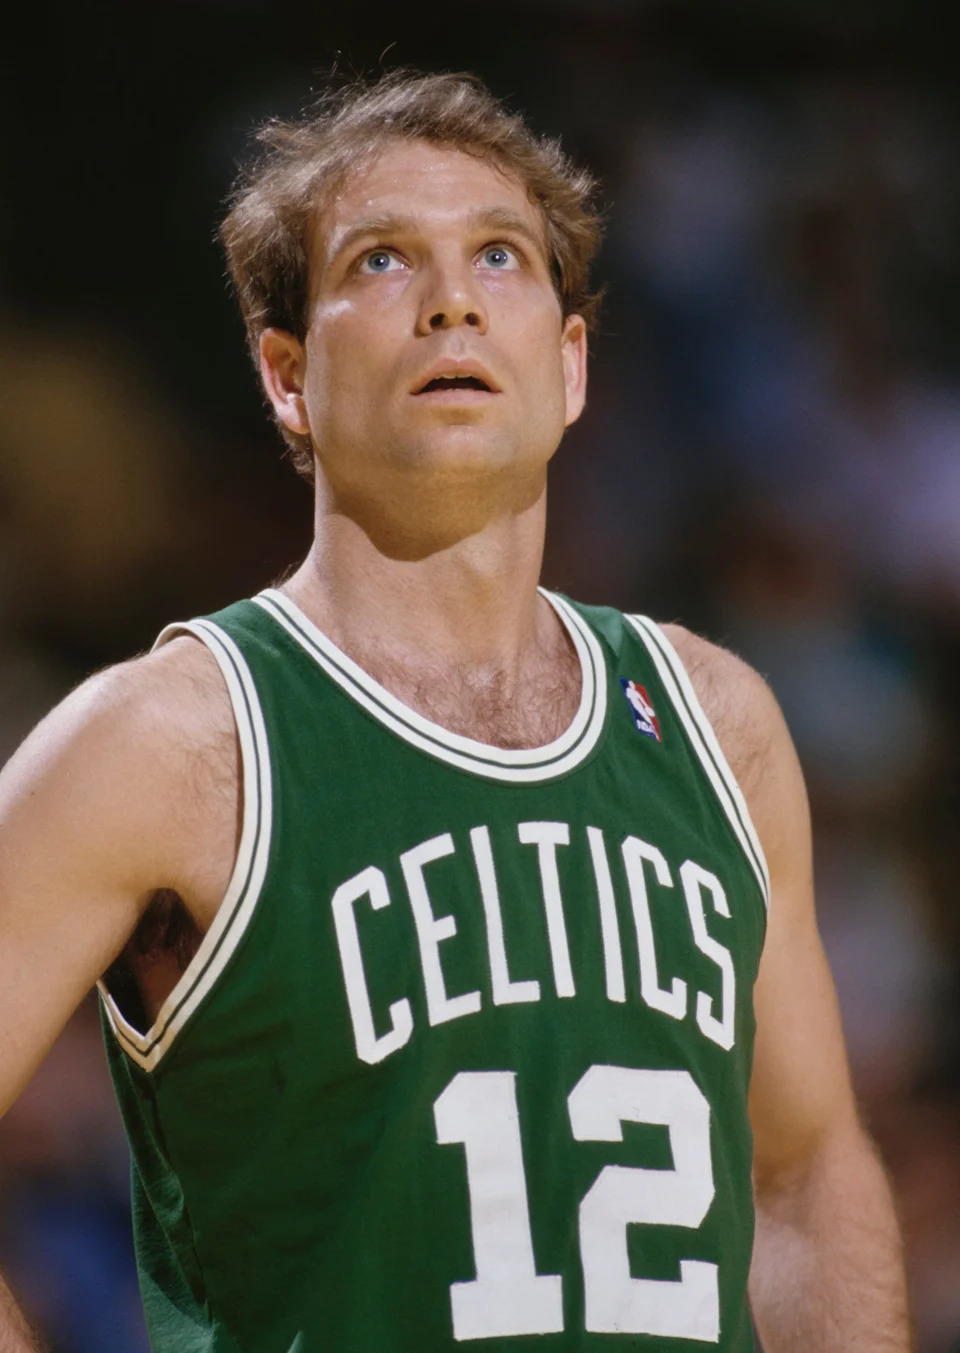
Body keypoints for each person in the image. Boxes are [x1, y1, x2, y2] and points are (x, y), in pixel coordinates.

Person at [0, 71, 912, 1353]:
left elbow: (808, 1167)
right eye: (381, 261)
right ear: (285, 376)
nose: (452, 298)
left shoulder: (720, 722)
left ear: (572, 361)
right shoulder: (168, 740)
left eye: (499, 254)